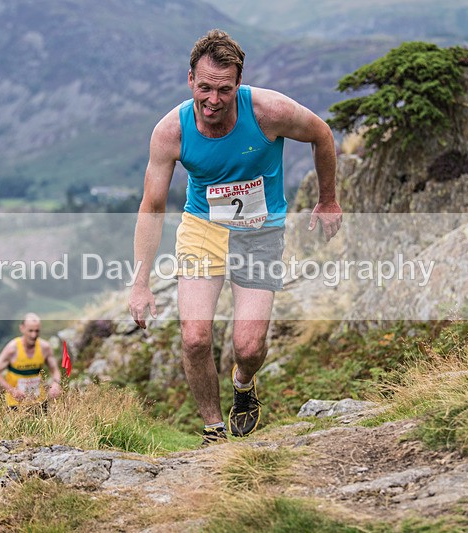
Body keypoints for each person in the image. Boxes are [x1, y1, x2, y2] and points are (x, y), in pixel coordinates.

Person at [128, 29, 342, 445]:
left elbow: (322, 134)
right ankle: (213, 430)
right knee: (194, 338)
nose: (213, 99)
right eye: (204, 87)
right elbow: (152, 207)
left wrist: (328, 199)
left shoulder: (268, 111)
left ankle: (243, 384)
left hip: (260, 231)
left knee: (248, 346)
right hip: (203, 228)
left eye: (224, 90)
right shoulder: (171, 131)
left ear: (239, 83)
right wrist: (140, 283)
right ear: (190, 79)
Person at [0, 313, 62, 409]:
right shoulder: (12, 348)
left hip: (39, 402)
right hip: (15, 403)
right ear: (22, 328)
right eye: (30, 331)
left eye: (37, 331)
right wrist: (12, 390)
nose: (34, 335)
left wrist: (56, 384)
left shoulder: (45, 348)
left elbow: (55, 370)